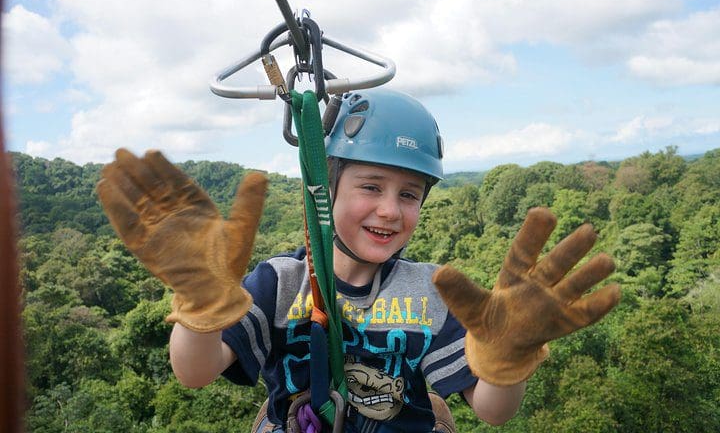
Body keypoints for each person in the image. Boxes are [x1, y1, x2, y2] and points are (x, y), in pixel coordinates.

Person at [97, 89, 620, 432]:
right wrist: (201, 301)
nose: (390, 211)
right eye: (370, 186)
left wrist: (508, 357)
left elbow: (493, 411)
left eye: (410, 195)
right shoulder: (279, 283)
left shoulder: (430, 291)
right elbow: (194, 372)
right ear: (326, 189)